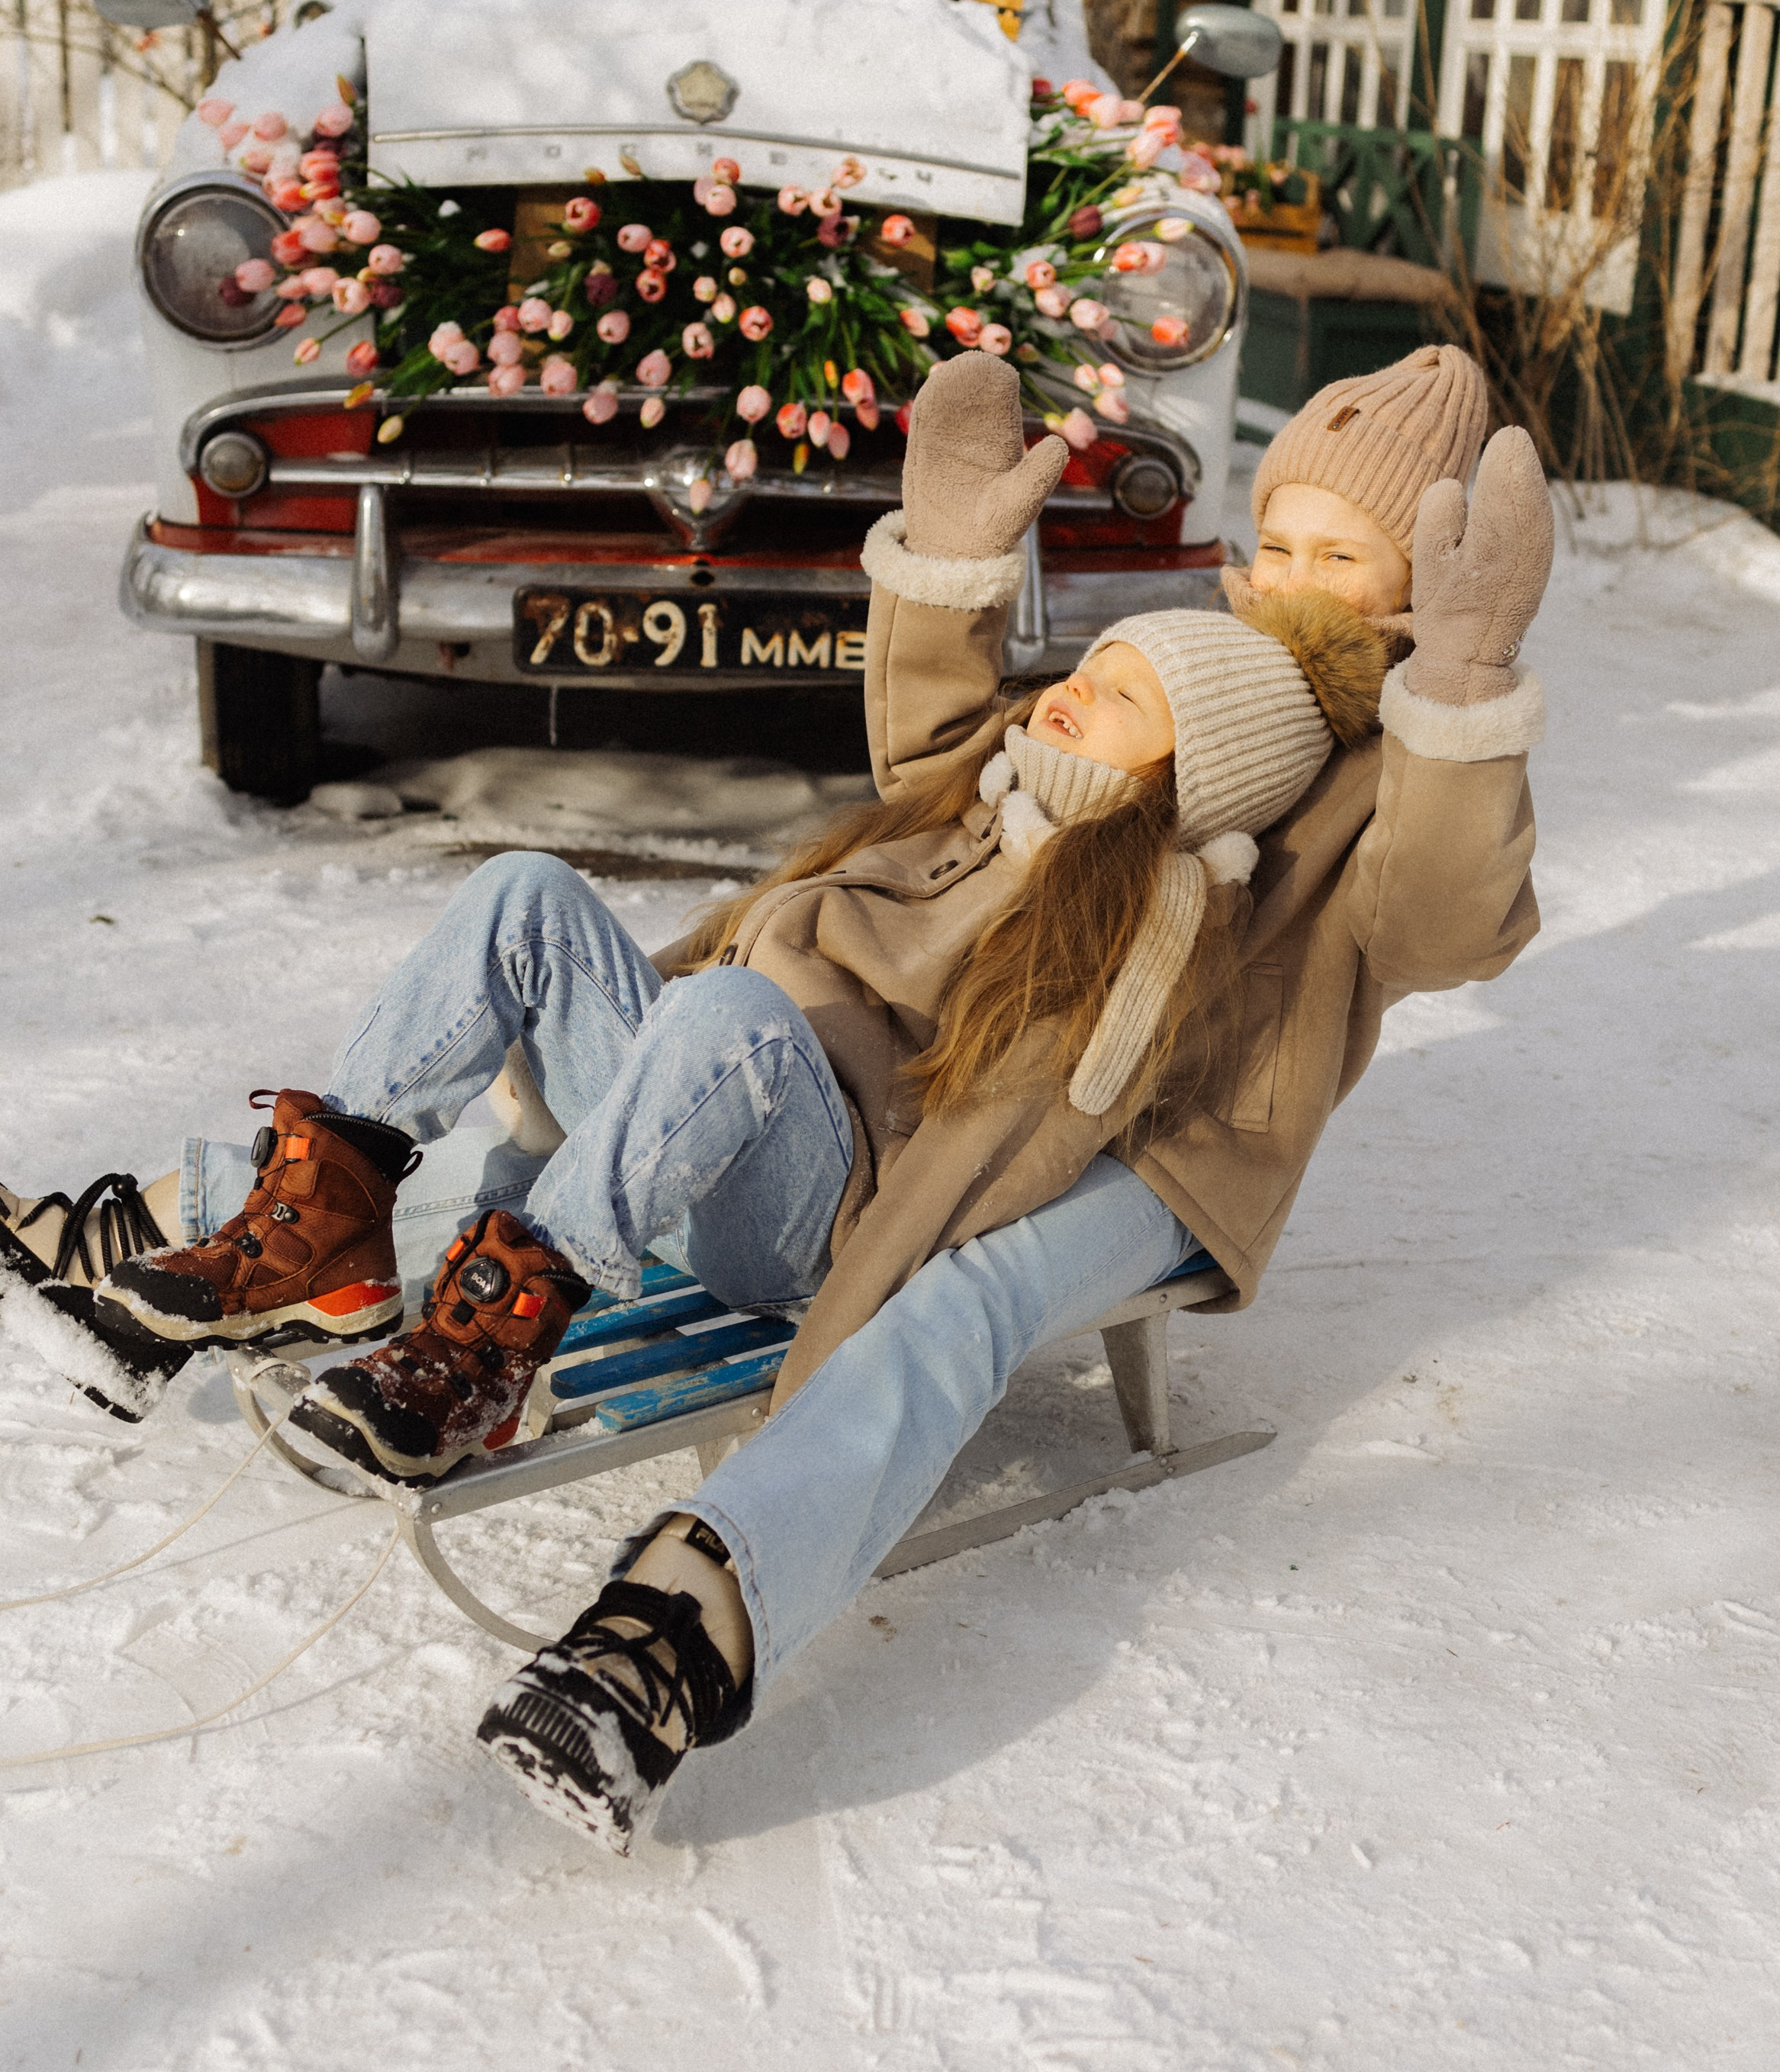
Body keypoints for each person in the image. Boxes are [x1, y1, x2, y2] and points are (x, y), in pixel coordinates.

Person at [1, 343, 1553, 1853]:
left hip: (1135, 1142)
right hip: (834, 1088)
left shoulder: (1370, 772)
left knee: (939, 1279)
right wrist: (949, 568)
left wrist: (1463, 691)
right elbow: (949, 769)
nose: (1287, 576)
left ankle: (678, 1622)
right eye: (1274, 534)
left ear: (1420, 583)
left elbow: (1439, 917)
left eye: (1339, 557)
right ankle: (260, 1217)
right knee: (538, 906)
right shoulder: (1158, 675)